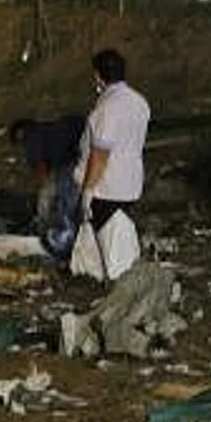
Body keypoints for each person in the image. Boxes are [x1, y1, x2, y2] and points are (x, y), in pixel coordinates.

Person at [77, 49, 151, 270]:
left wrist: (88, 190)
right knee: (124, 240)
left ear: (98, 76)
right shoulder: (139, 102)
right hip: (131, 182)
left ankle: (116, 284)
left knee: (112, 248)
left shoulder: (107, 108)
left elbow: (100, 155)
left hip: (107, 187)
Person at [8, 114, 88, 258]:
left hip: (71, 165)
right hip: (87, 159)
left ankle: (63, 247)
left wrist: (42, 193)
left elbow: (41, 170)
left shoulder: (32, 137)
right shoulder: (51, 127)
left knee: (64, 207)